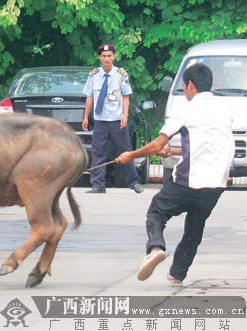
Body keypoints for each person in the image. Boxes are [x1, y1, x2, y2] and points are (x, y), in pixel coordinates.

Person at [116, 63, 234, 287]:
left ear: (190, 86)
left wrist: (130, 155)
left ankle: (156, 249)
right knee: (195, 227)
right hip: (217, 184)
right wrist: (175, 151)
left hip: (189, 180)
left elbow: (157, 144)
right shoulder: (224, 109)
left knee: (157, 211)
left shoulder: (186, 109)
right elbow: (209, 144)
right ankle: (177, 275)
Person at [82, 44, 143, 194]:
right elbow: (90, 97)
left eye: (110, 56)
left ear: (114, 57)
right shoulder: (94, 75)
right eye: (104, 56)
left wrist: (125, 115)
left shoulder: (121, 74)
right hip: (100, 120)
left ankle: (133, 182)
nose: (107, 59)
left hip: (116, 119)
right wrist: (85, 117)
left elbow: (126, 96)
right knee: (98, 152)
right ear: (100, 58)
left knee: (125, 150)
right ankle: (98, 185)